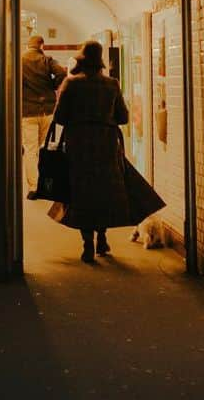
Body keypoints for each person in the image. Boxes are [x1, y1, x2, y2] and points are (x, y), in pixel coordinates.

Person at [50, 39, 163, 263]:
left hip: (79, 145)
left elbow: (59, 117)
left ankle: (87, 245)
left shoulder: (72, 84)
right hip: (106, 144)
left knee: (81, 193)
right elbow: (123, 117)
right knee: (103, 191)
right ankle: (102, 237)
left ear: (82, 61)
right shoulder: (112, 84)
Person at [21, 34, 66, 199]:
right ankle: (47, 185)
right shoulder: (47, 60)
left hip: (27, 112)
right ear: (42, 46)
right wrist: (52, 85)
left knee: (31, 150)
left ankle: (34, 187)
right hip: (47, 110)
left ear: (28, 45)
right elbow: (61, 73)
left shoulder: (20, 61)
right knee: (44, 147)